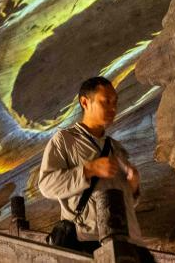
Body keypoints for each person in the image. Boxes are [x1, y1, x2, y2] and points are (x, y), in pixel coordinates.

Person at [38, 76, 142, 252]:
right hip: (85, 240)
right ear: (85, 102)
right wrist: (88, 170)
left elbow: (126, 205)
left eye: (115, 102)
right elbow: (46, 185)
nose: (113, 108)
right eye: (106, 101)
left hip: (120, 241)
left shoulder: (116, 148)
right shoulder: (65, 140)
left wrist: (133, 187)